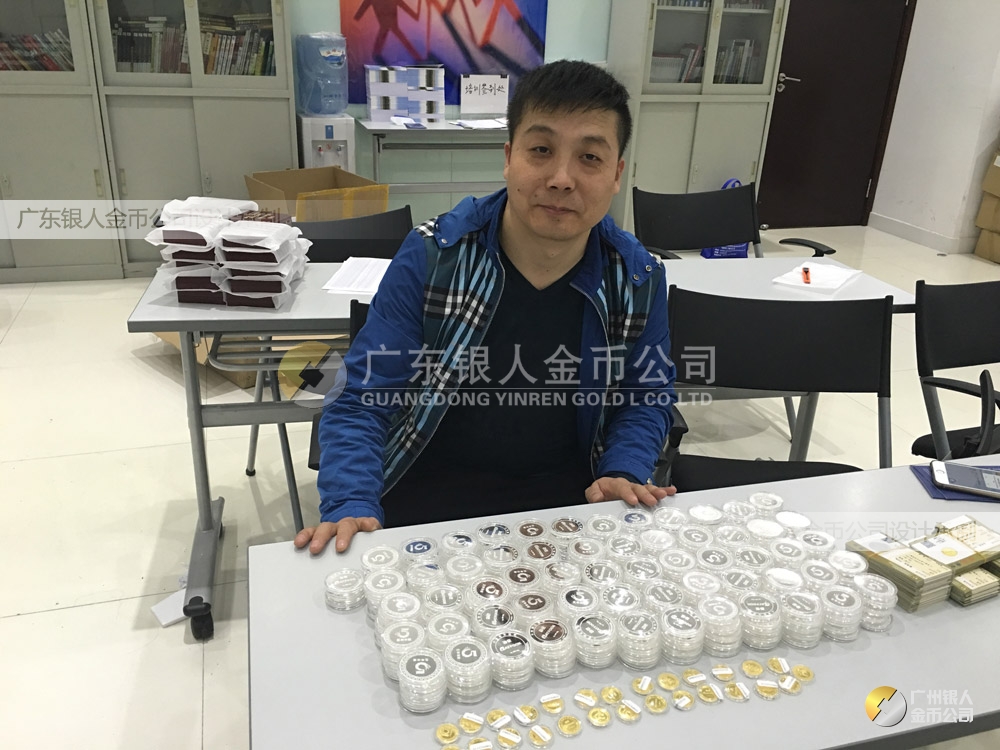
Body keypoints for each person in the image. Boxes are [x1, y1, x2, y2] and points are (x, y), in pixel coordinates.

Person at [295, 60, 677, 555]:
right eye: (541, 150)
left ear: (617, 174)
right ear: (509, 156)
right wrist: (351, 500)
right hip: (424, 496)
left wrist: (623, 469)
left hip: (572, 506)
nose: (562, 179)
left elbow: (646, 395)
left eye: (590, 158)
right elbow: (363, 395)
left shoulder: (637, 276)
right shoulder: (435, 256)